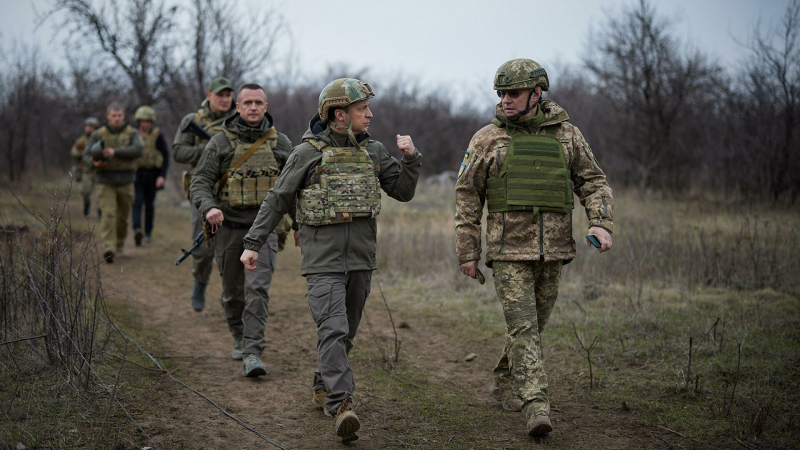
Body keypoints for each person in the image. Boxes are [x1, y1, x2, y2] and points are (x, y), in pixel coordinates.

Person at [240, 78, 423, 443]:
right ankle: (341, 405)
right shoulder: (306, 154)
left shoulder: (374, 151)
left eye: (368, 109)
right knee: (333, 329)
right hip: (322, 261)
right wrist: (253, 243)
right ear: (339, 114)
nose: (369, 115)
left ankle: (324, 384)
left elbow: (402, 191)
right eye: (361, 109)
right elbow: (277, 199)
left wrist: (411, 159)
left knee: (346, 332)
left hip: (360, 260)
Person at [454, 59, 614, 437]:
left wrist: (600, 222)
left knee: (534, 325)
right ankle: (537, 406)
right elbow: (466, 196)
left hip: (554, 250)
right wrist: (468, 251)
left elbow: (593, 181)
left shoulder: (568, 136)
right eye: (501, 93)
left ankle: (505, 378)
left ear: (537, 94)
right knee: (523, 326)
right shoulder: (487, 139)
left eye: (513, 93)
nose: (505, 100)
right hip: (507, 252)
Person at [190, 83, 293, 378]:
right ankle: (238, 335)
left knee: (257, 289)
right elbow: (200, 182)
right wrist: (209, 207)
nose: (253, 108)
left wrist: (299, 224)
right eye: (247, 102)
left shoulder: (280, 143)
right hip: (229, 229)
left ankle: (252, 350)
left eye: (258, 102)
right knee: (233, 294)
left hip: (265, 231)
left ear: (266, 106)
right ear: (237, 107)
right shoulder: (220, 144)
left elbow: (293, 187)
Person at [174, 77, 237, 312]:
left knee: (231, 250)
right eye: (220, 94)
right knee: (202, 248)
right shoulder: (193, 121)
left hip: (233, 194)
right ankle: (200, 284)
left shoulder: (238, 121)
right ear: (209, 96)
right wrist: (208, 149)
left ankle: (229, 299)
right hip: (202, 193)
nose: (224, 99)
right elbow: (178, 152)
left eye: (228, 95)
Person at [86, 103, 144, 263]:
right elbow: (86, 155)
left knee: (123, 216)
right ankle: (109, 248)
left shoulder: (132, 133)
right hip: (105, 180)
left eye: (119, 115)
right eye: (114, 116)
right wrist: (93, 163)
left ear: (123, 116)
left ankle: (119, 245)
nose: (117, 119)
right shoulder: (98, 134)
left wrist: (115, 152)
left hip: (126, 181)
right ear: (108, 116)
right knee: (109, 214)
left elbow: (139, 150)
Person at [132, 105, 170, 245]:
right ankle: (137, 229)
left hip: (153, 174)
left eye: (148, 121)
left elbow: (166, 157)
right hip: (137, 174)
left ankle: (147, 232)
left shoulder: (157, 136)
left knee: (149, 205)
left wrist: (162, 176)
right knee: (136, 202)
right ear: (139, 121)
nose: (145, 124)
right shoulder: (133, 135)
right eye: (143, 121)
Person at [70, 117, 100, 218]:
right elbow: (74, 152)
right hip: (86, 170)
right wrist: (84, 153)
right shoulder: (81, 141)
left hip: (99, 170)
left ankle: (100, 211)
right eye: (88, 127)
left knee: (101, 192)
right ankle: (86, 207)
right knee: (85, 191)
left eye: (91, 127)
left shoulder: (99, 140)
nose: (89, 129)